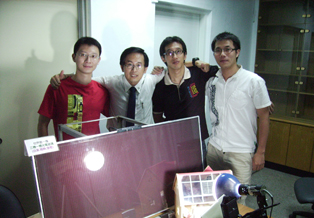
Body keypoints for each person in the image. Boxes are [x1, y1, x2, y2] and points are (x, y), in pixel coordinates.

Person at [50, 47, 206, 127]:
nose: (134, 70)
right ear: (121, 67)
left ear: (145, 68)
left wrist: (196, 62)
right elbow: (85, 76)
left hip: (145, 136)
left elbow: (174, 65)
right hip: (116, 135)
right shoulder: (112, 81)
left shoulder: (152, 79)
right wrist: (64, 76)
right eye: (129, 65)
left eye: (139, 65)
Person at [205, 32, 271, 203]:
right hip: (214, 149)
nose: (223, 54)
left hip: (240, 152)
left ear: (237, 52)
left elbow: (264, 118)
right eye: (218, 50)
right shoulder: (211, 81)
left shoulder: (254, 81)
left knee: (238, 202)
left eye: (228, 49)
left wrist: (260, 152)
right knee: (212, 196)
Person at [152, 36, 219, 159]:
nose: (175, 56)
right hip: (172, 143)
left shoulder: (198, 73)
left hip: (197, 140)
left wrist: (196, 62)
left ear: (185, 54)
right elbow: (157, 116)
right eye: (170, 53)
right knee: (173, 177)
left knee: (198, 176)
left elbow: (221, 70)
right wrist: (170, 131)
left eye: (178, 51)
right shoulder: (159, 85)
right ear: (163, 58)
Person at [37, 37, 109, 140]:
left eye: (93, 56)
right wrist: (46, 153)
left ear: (98, 60)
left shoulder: (102, 91)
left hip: (93, 152)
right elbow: (43, 123)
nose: (88, 60)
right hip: (64, 152)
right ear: (74, 57)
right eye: (83, 55)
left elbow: (114, 119)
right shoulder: (57, 87)